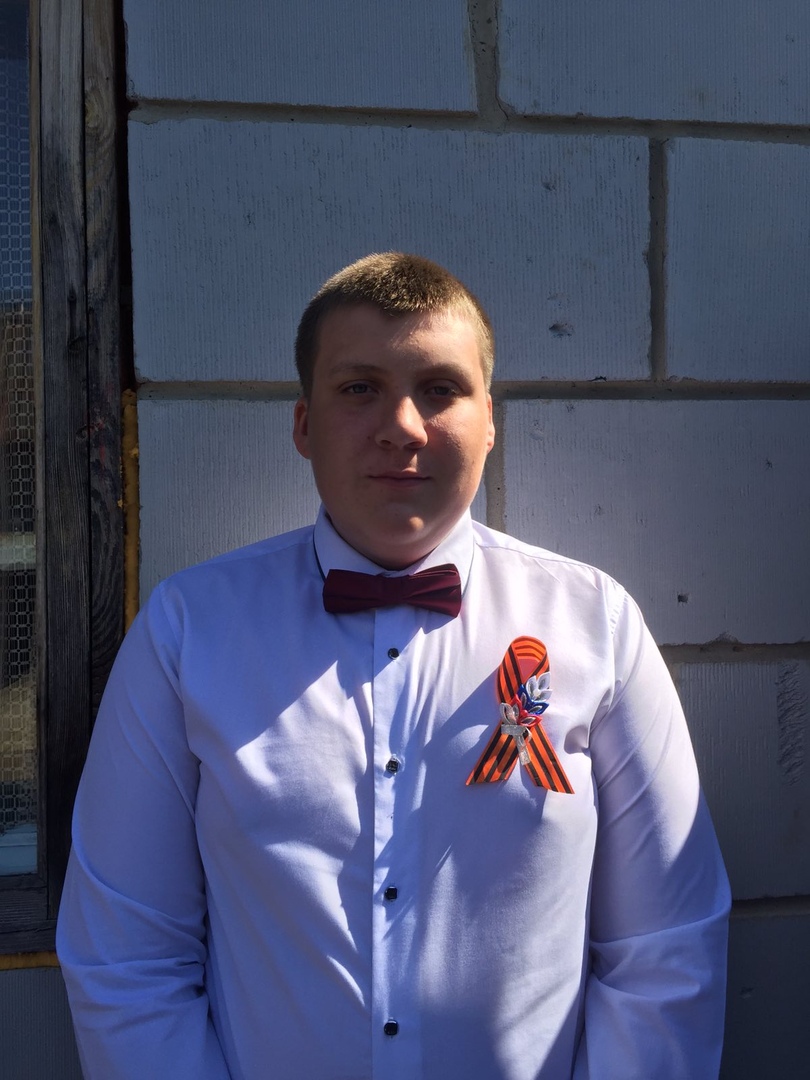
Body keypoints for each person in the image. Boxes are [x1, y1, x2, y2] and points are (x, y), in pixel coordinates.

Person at [57, 253, 730, 1079]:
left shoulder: (598, 624)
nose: (402, 427)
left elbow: (667, 950)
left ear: (490, 422)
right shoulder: (186, 632)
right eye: (359, 388)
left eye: (440, 389)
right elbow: (127, 957)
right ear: (304, 425)